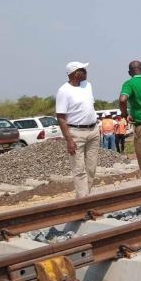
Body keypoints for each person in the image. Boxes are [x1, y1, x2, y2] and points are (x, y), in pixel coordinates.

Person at [56, 61, 99, 198]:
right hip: (76, 133)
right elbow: (61, 117)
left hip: (93, 131)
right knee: (79, 170)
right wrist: (69, 140)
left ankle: (84, 197)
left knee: (91, 169)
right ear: (75, 73)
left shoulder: (88, 85)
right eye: (83, 70)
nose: (86, 72)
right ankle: (84, 202)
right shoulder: (64, 91)